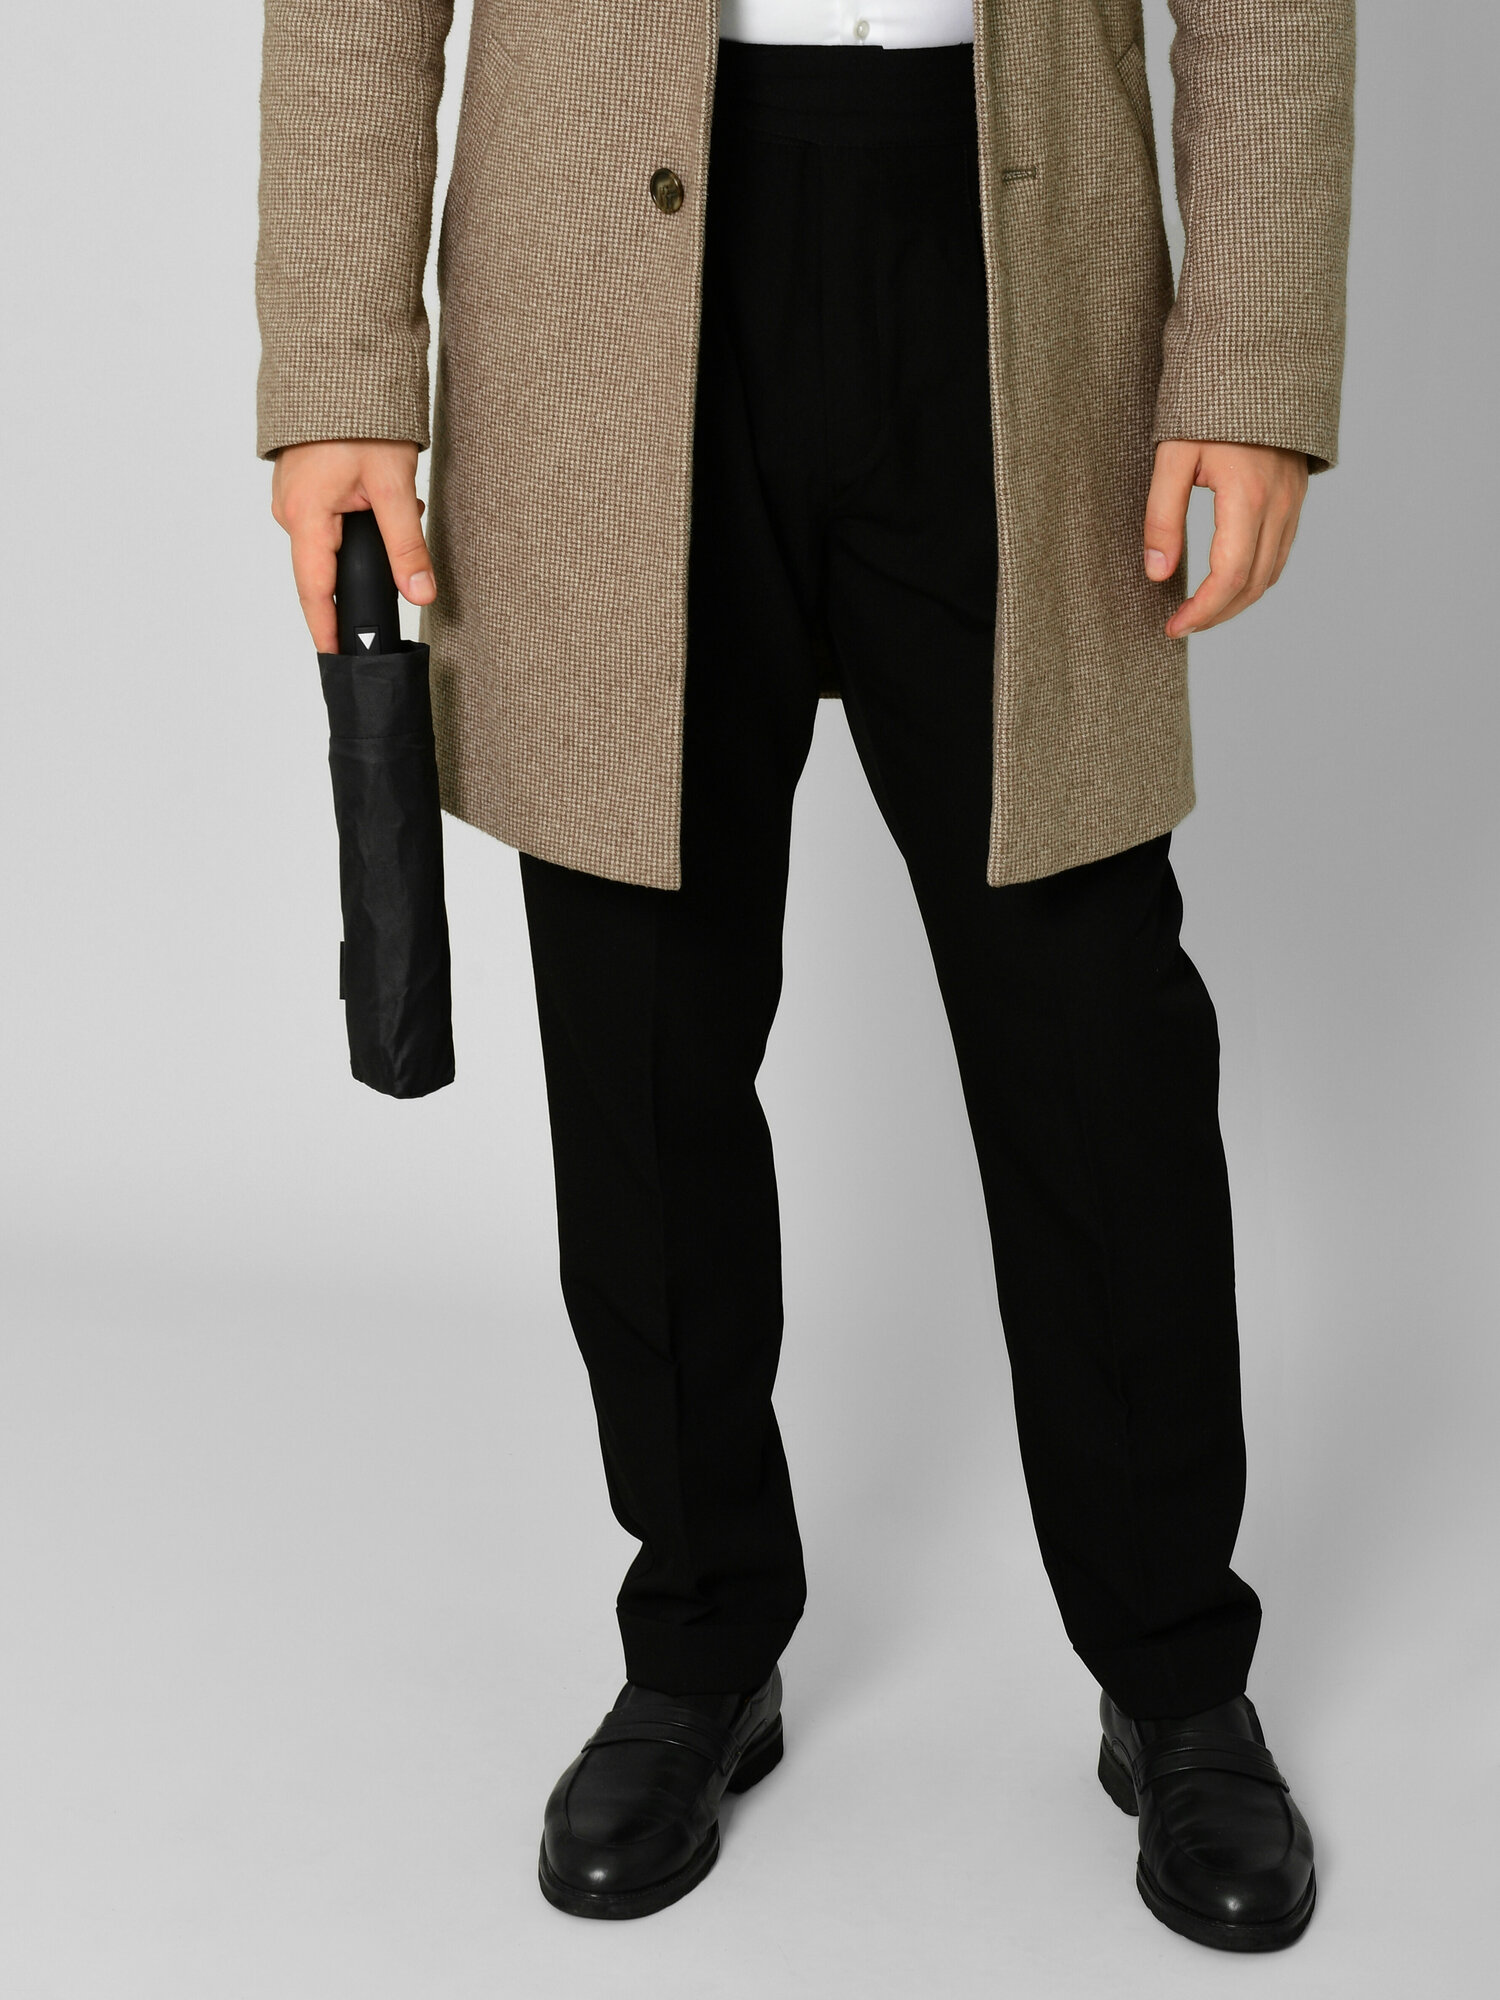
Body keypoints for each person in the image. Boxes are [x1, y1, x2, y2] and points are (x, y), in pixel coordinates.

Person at [256, 0, 1355, 1954]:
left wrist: (1254, 350)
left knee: (1093, 1029)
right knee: (639, 1025)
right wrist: (342, 359)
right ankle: (696, 1642)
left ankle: (1179, 1674)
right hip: (594, 276)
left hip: (1017, 244)